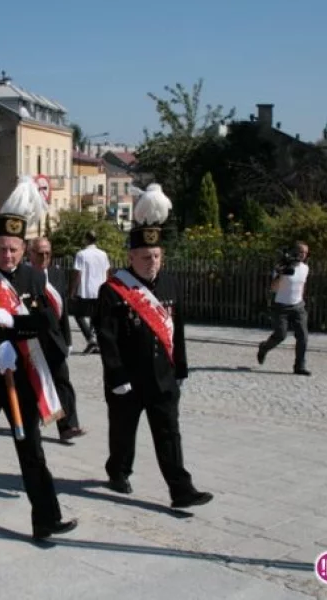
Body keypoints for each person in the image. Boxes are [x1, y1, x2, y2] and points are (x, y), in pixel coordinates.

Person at [0, 175, 78, 542]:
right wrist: (1, 337)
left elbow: (44, 321)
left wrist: (15, 330)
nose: (6, 255)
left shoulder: (33, 277)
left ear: (23, 250)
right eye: (0, 248)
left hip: (20, 374)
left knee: (32, 447)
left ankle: (45, 517)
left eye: (13, 249)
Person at [95, 184, 212, 509]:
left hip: (162, 376)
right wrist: (116, 376)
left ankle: (181, 489)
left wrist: (182, 368)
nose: (152, 262)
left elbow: (179, 330)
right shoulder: (115, 290)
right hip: (128, 379)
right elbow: (107, 336)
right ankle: (118, 470)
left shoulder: (172, 284)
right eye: (145, 257)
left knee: (169, 434)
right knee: (123, 432)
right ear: (131, 257)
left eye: (157, 256)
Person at [28, 237, 85, 442]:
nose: (44, 257)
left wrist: (68, 340)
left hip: (56, 339)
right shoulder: (24, 276)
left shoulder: (57, 274)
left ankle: (68, 426)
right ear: (30, 254)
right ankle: (29, 422)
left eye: (48, 253)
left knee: (63, 382)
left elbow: (63, 309)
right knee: (32, 385)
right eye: (40, 253)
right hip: (33, 340)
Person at [257, 241, 312, 376]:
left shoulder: (305, 268)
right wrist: (281, 274)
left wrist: (301, 300)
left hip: (298, 306)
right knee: (280, 335)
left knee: (303, 337)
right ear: (294, 252)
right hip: (281, 306)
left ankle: (299, 366)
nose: (303, 255)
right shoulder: (281, 267)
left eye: (305, 253)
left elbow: (302, 285)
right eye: (300, 252)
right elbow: (274, 288)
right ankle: (264, 347)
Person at [70, 231, 110, 353]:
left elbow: (78, 273)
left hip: (86, 290)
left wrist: (72, 290)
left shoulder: (81, 254)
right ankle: (96, 341)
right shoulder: (103, 254)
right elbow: (107, 271)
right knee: (96, 316)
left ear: (86, 239)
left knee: (79, 315)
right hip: (100, 289)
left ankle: (91, 339)